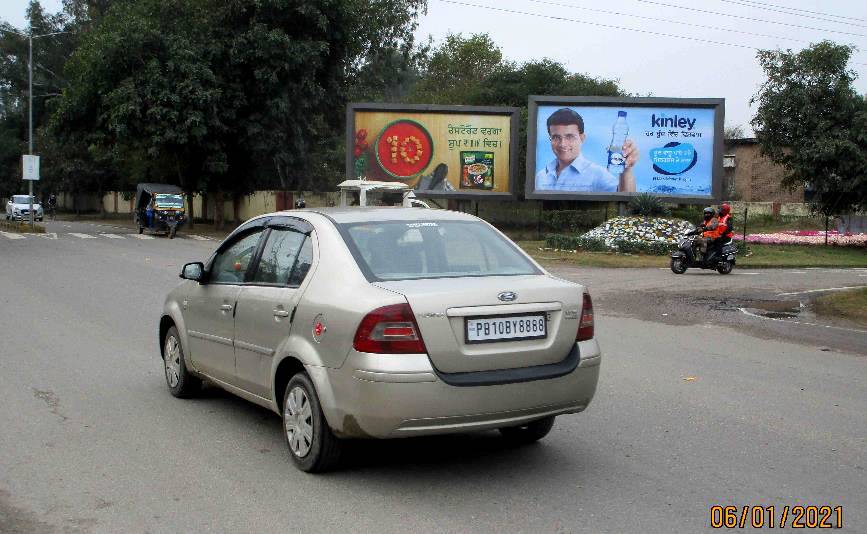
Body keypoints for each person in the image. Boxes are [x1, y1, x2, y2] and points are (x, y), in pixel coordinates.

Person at [535, 108, 639, 192]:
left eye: (570, 136)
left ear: (582, 138)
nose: (563, 144)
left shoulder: (597, 174)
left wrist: (627, 170)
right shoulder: (541, 176)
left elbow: (625, 199)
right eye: (556, 137)